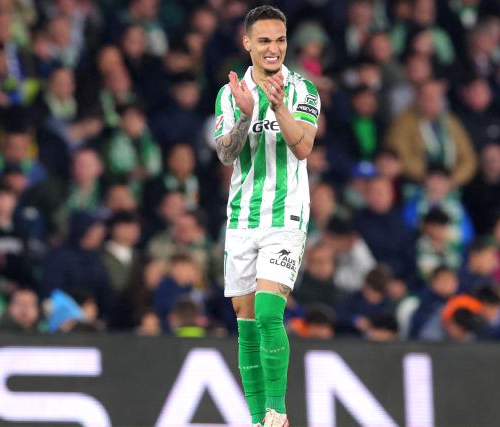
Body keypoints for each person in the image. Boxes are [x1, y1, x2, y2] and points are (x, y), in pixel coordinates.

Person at [213, 6, 320, 426]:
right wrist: (243, 114)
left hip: (286, 213)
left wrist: (278, 109)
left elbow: (303, 147)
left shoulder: (302, 89)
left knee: (270, 309)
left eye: (279, 40)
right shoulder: (231, 92)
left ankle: (277, 410)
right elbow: (225, 153)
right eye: (264, 41)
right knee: (246, 318)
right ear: (248, 44)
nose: (273, 48)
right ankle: (258, 419)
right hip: (241, 217)